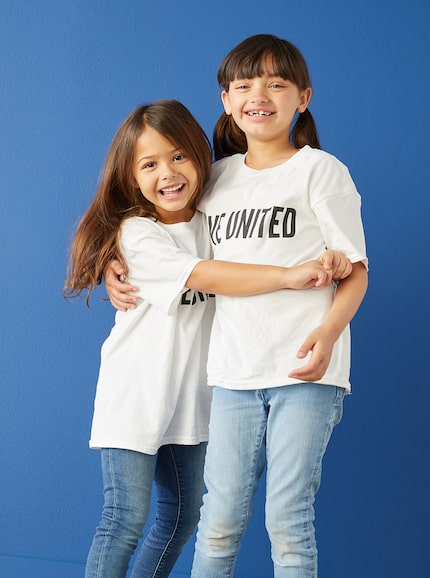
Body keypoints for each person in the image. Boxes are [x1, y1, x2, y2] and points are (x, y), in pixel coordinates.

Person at [64, 99, 347, 578]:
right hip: (136, 394)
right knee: (124, 520)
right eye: (149, 164)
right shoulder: (136, 233)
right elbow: (206, 274)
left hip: (198, 398)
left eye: (178, 157)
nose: (168, 174)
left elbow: (247, 243)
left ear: (200, 156)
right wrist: (288, 275)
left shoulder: (216, 219)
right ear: (131, 178)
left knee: (182, 516)